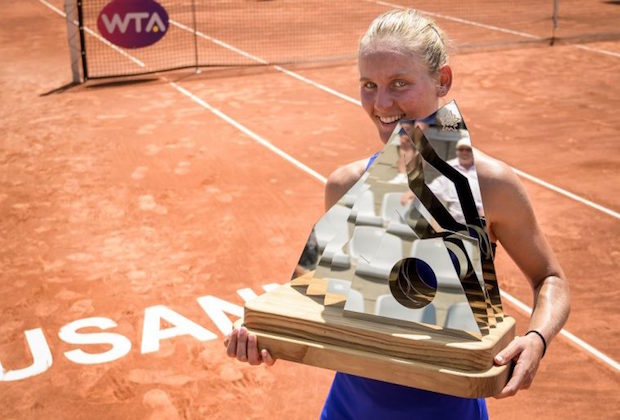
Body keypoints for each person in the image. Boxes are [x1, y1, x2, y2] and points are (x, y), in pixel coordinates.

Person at [224, 8, 570, 419]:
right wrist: (268, 338)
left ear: (443, 80)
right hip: (348, 409)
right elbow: (324, 302)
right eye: (368, 85)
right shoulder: (343, 185)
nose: (381, 103)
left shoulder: (492, 185)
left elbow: (551, 279)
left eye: (399, 84)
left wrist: (537, 338)